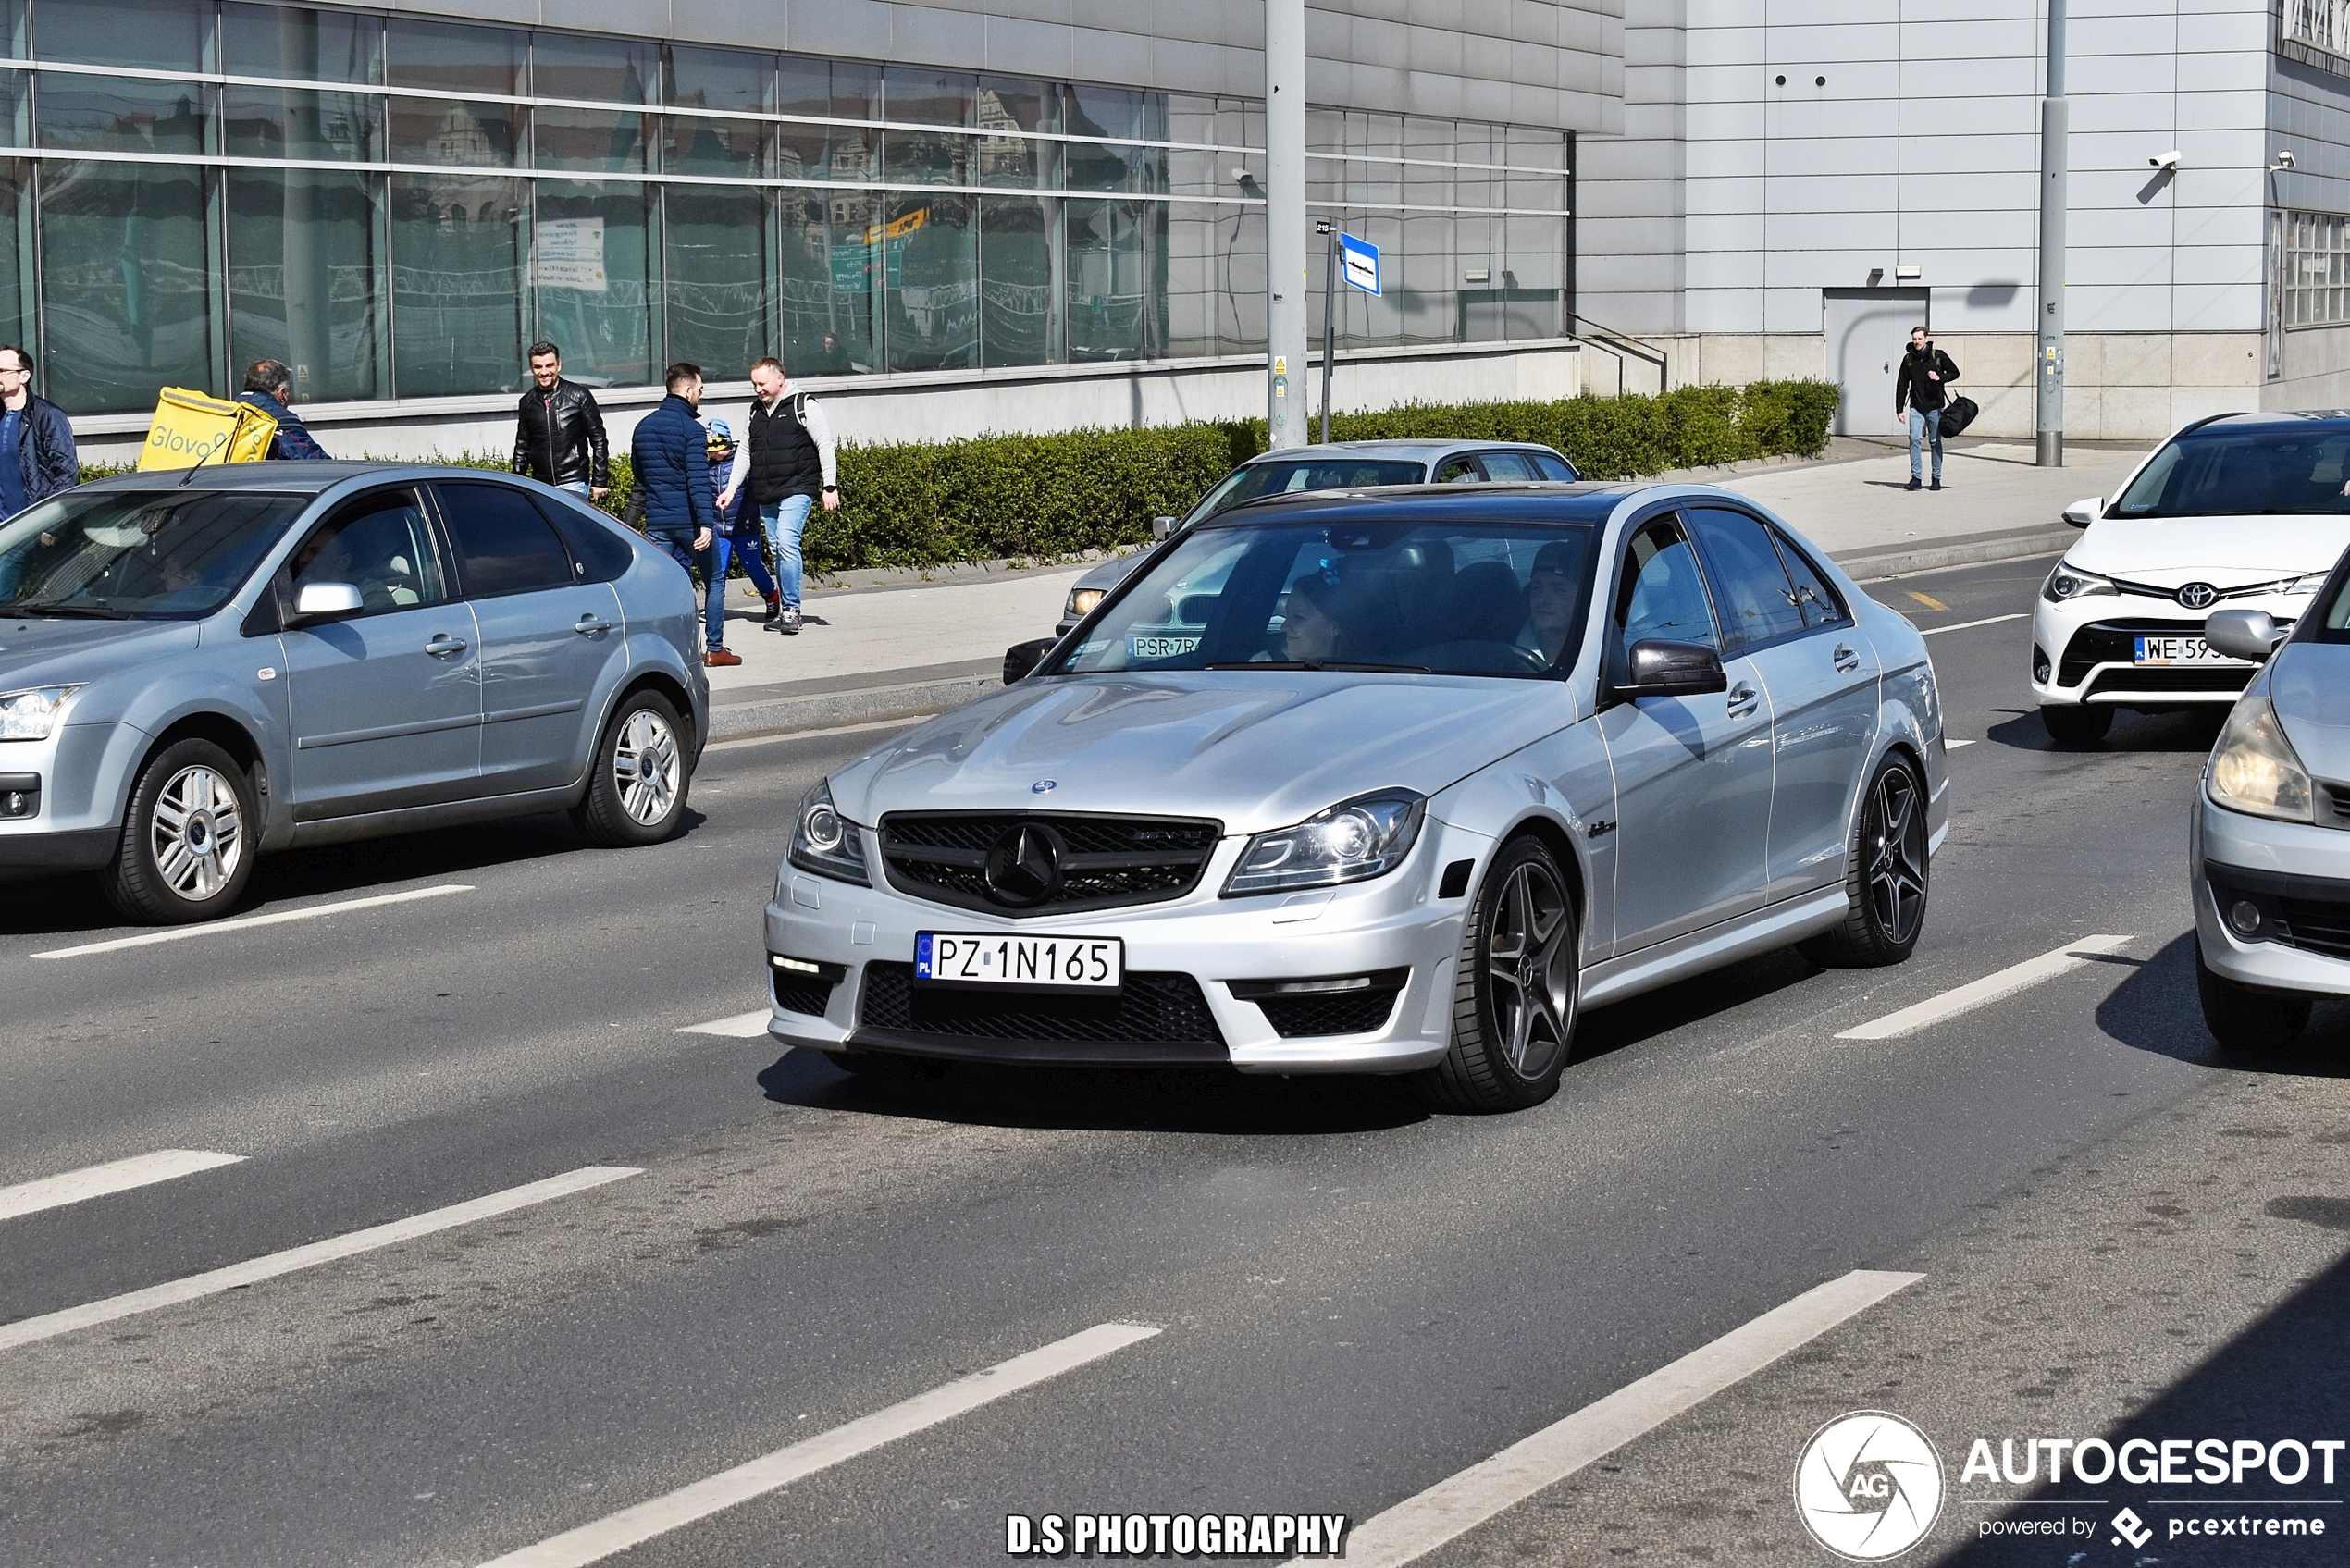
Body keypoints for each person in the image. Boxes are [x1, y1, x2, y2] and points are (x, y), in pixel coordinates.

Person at [718, 356, 838, 635]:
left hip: (797, 488)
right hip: (766, 491)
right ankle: (785, 610)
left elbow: (825, 445)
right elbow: (746, 452)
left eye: (761, 383)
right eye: (754, 384)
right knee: (777, 550)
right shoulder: (755, 411)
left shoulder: (803, 405)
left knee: (786, 542)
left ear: (779, 379)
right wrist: (731, 488)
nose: (757, 389)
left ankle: (793, 609)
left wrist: (829, 486)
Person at [630, 363, 730, 667]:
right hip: (689, 524)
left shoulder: (643, 427)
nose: (700, 395)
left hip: (658, 523)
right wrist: (705, 524)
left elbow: (640, 480)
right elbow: (698, 481)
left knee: (660, 587)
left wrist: (629, 523)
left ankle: (667, 651)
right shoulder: (693, 430)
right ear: (687, 391)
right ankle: (714, 649)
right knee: (714, 578)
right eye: (699, 390)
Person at [699, 417, 778, 661]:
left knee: (752, 565)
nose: (714, 452)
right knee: (717, 571)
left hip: (744, 527)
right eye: (710, 447)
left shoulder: (741, 464)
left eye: (717, 445)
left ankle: (771, 596)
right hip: (719, 529)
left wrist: (752, 517)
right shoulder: (706, 466)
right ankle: (715, 612)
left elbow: (756, 492)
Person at [511, 340, 610, 500]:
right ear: (531, 369)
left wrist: (600, 480)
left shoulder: (579, 396)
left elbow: (598, 439)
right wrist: (514, 482)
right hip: (541, 484)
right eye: (538, 367)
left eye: (549, 365)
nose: (544, 372)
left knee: (571, 525)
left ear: (559, 365)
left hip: (573, 481)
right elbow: (522, 446)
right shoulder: (527, 402)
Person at [0, 344, 78, 519]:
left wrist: (51, 523)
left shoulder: (46, 416)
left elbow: (66, 474)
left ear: (24, 376)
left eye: (2, 370)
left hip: (33, 526)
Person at [1893, 326, 1960, 493]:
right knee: (1914, 439)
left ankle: (1936, 478)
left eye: (1919, 339)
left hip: (1935, 408)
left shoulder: (1938, 356)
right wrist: (1899, 409)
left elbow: (1954, 372)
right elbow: (1902, 384)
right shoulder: (1908, 359)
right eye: (1914, 339)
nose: (1917, 342)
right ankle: (1916, 478)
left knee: (1935, 442)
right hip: (1916, 407)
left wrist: (1939, 377)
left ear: (1926, 338)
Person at [236, 360, 332, 460]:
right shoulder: (282, 422)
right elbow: (318, 462)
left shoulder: (230, 414)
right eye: (288, 392)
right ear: (282, 394)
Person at [1518, 540, 1584, 664]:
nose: (1543, 599)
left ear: (1582, 596)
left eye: (1558, 590)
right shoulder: (1503, 656)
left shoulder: (1601, 655)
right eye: (1537, 588)